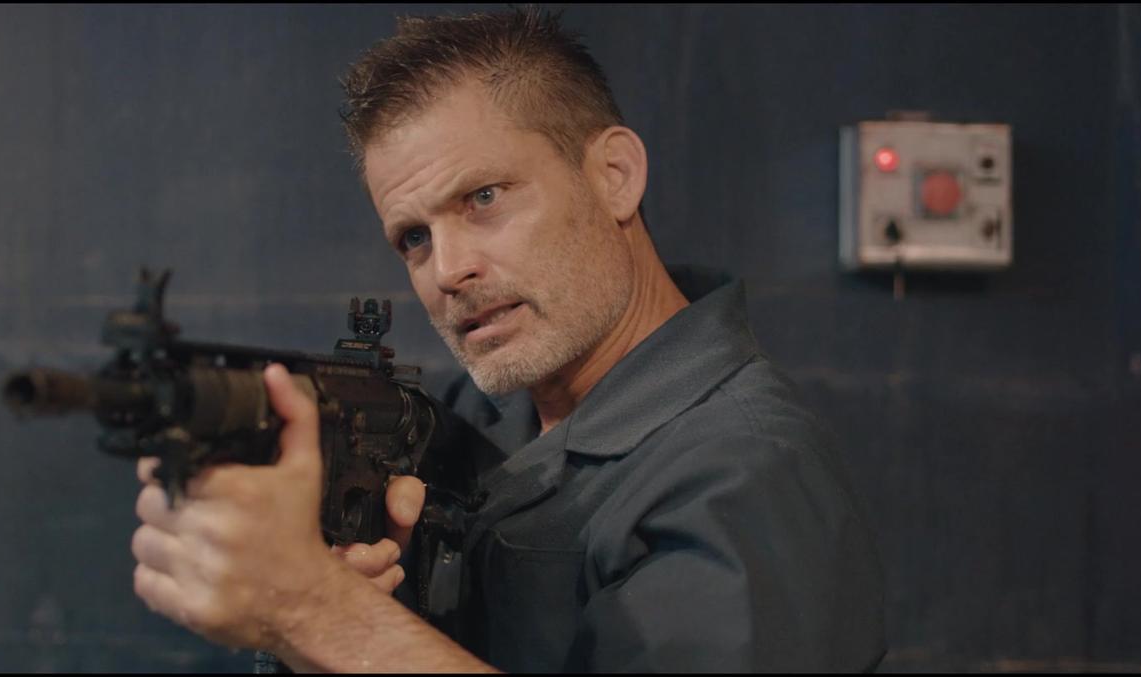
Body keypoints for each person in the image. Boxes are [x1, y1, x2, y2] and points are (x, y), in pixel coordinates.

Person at [128, 7, 885, 672]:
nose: (447, 271)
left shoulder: (747, 471)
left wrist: (318, 612)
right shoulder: (477, 416)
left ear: (615, 175)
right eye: (414, 237)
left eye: (484, 198)